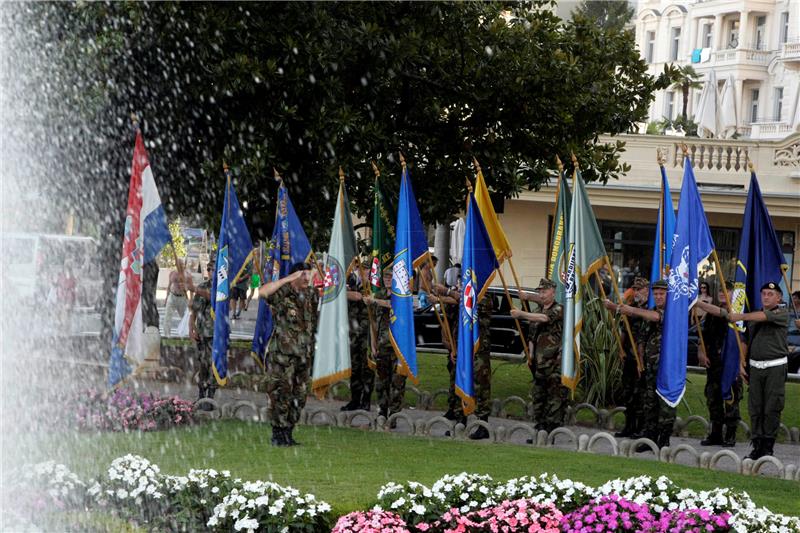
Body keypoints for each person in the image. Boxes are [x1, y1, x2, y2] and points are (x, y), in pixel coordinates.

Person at [699, 281, 789, 460]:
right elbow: (742, 335)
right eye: (763, 293)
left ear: (779, 297)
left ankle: (767, 445)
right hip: (755, 366)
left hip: (774, 367)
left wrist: (739, 316)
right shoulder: (754, 315)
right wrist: (698, 303)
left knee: (771, 407)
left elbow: (759, 317)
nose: (766, 296)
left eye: (770, 294)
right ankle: (756, 444)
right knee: (755, 407)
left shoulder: (781, 312)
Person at [604, 279, 674, 449]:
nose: (658, 297)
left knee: (665, 404)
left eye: (661, 294)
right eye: (656, 294)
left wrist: (627, 309)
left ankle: (664, 439)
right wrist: (640, 360)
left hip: (666, 366)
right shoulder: (650, 311)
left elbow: (656, 317)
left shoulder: (672, 313)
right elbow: (641, 339)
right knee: (649, 402)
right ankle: (649, 439)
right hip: (649, 365)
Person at [258, 262, 320, 447]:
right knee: (280, 395)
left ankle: (289, 432)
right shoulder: (283, 294)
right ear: (294, 276)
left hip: (304, 355)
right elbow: (262, 292)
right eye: (303, 275)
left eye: (309, 275)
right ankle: (278, 434)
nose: (307, 278)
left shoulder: (311, 295)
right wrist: (287, 279)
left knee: (299, 396)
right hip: (282, 356)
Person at [512, 278, 566, 433]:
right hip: (539, 363)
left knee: (554, 398)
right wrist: (530, 355)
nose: (541, 295)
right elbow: (532, 336)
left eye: (545, 291)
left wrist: (521, 313)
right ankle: (540, 426)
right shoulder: (537, 311)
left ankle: (552, 430)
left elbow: (545, 318)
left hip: (554, 363)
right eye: (540, 292)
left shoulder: (558, 309)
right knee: (539, 397)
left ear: (553, 292)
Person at [695, 281, 741, 447]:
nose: (723, 293)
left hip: (730, 363)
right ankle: (715, 434)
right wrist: (701, 351)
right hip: (714, 362)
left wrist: (697, 302)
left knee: (730, 398)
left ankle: (730, 434)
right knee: (713, 399)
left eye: (727, 290)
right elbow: (704, 335)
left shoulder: (738, 312)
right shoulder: (711, 313)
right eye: (721, 290)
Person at [364, 267, 406, 424]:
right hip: (382, 344)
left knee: (397, 383)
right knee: (381, 382)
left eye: (390, 277)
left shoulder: (400, 294)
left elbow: (394, 305)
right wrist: (373, 344)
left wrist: (374, 300)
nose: (388, 280)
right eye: (386, 277)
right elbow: (373, 321)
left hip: (397, 347)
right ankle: (381, 413)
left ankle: (394, 416)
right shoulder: (380, 294)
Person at [613, 277, 649, 438]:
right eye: (635, 289)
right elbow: (623, 331)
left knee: (641, 395)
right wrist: (620, 349)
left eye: (639, 289)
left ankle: (640, 428)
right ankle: (628, 426)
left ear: (647, 290)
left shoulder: (649, 310)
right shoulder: (630, 308)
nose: (636, 292)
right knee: (628, 394)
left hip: (643, 359)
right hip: (629, 357)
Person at [342, 273, 374, 411]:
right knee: (354, 368)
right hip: (353, 333)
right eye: (362, 269)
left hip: (367, 334)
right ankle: (355, 400)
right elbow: (337, 293)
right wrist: (348, 293)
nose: (364, 273)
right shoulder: (352, 284)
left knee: (367, 368)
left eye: (367, 270)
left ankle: (366, 401)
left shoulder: (375, 287)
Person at [189, 261, 216, 409]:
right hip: (201, 333)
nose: (210, 271)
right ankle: (201, 395)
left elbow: (211, 297)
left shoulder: (222, 287)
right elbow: (193, 310)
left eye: (213, 269)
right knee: (202, 364)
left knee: (213, 365)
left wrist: (193, 288)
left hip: (214, 334)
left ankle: (210, 398)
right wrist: (191, 328)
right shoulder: (202, 286)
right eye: (209, 269)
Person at [163, 258, 194, 338]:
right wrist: (166, 298)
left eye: (182, 264)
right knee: (167, 316)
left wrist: (191, 300)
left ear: (184, 265)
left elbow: (191, 288)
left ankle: (186, 335)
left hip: (183, 298)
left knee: (185, 318)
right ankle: (167, 335)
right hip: (172, 296)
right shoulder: (172, 273)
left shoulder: (188, 275)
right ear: (176, 265)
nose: (180, 265)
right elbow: (169, 286)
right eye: (179, 264)